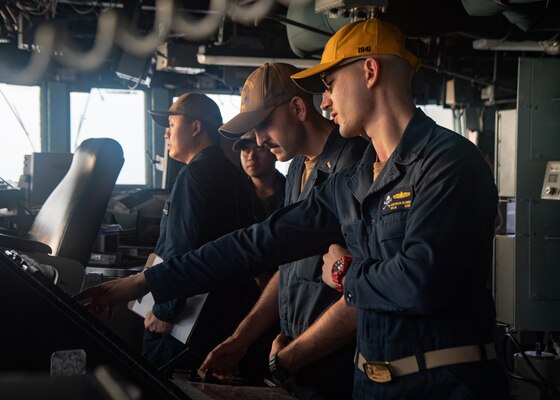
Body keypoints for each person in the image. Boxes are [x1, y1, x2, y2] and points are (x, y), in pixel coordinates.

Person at [77, 19, 510, 400]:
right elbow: (258, 243)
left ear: (370, 72)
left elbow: (421, 281)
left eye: (331, 84)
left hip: (443, 385)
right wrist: (144, 282)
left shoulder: (449, 163)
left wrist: (343, 274)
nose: (324, 101)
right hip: (372, 385)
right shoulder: (357, 180)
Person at [202, 63, 366, 399]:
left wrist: (291, 358)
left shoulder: (354, 164)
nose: (259, 141)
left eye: (263, 125)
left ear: (297, 107)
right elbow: (287, 267)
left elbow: (364, 292)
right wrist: (241, 338)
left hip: (336, 369)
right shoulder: (294, 170)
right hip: (294, 363)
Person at [142, 93, 260, 372]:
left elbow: (185, 248)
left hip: (183, 322)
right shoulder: (234, 176)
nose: (166, 134)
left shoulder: (193, 175)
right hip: (221, 315)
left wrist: (165, 309)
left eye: (171, 124)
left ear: (196, 128)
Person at [233, 130, 286, 291]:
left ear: (273, 150)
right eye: (245, 150)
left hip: (286, 281)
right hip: (243, 283)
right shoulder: (233, 194)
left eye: (259, 149)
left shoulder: (293, 189)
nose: (251, 156)